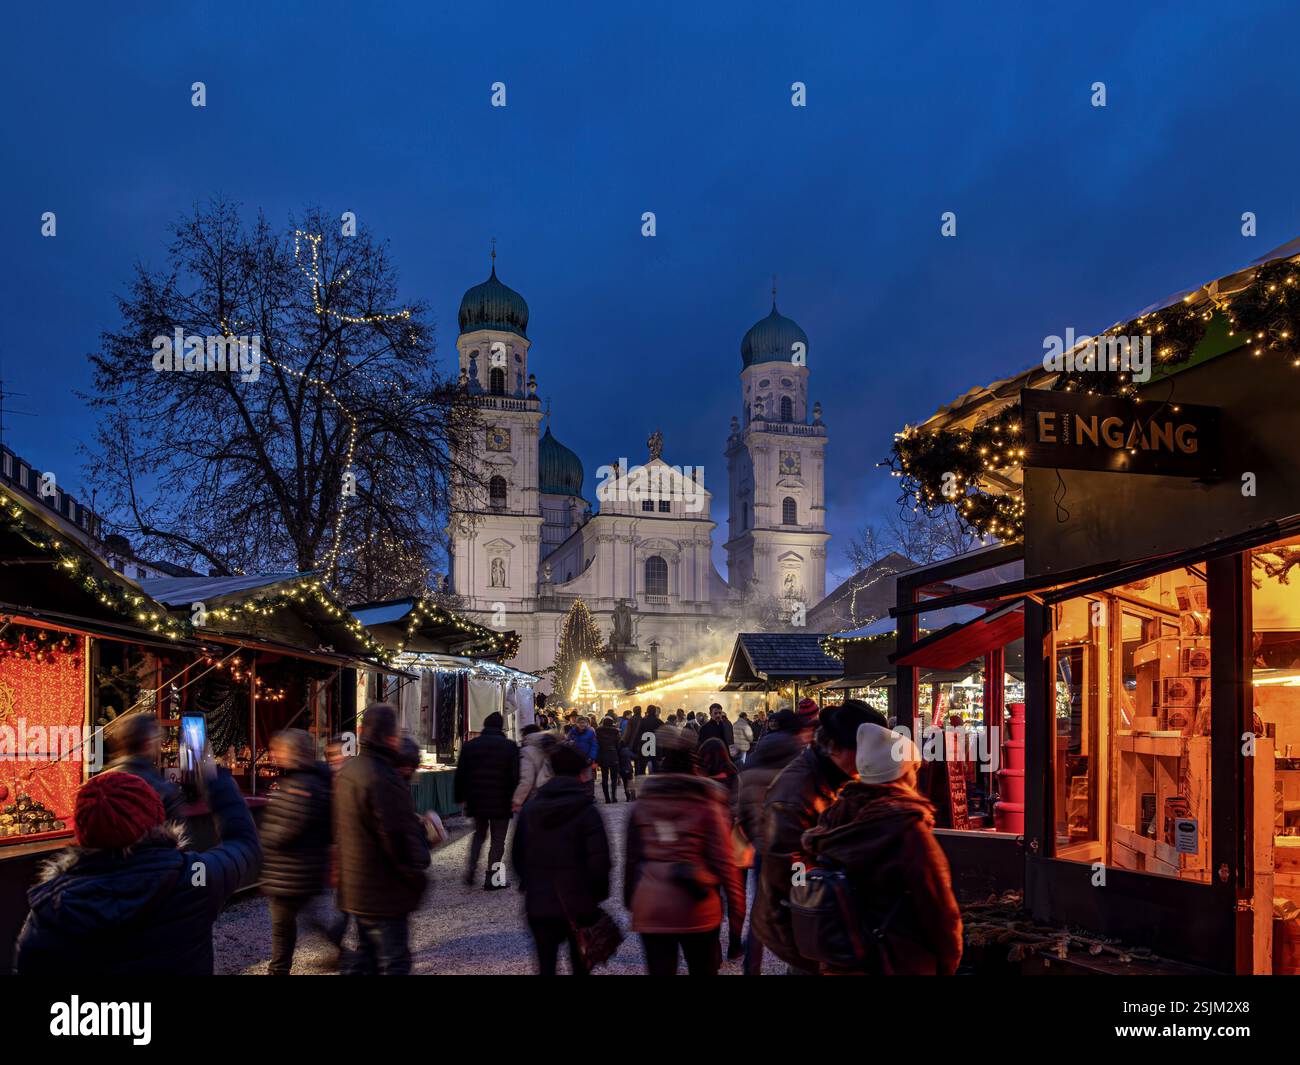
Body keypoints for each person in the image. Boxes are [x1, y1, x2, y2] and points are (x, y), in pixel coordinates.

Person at [15, 766, 261, 975]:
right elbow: (243, 845)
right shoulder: (193, 877)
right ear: (156, 820)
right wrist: (216, 780)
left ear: (82, 832)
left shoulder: (51, 909)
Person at [802, 722, 963, 975]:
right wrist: (948, 961)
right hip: (897, 961)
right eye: (914, 767)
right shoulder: (908, 829)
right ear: (902, 773)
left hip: (844, 960)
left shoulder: (834, 817)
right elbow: (940, 911)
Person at [751, 700, 884, 974]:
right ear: (835, 746)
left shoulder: (839, 775)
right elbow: (792, 874)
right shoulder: (793, 797)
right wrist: (824, 877)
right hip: (807, 924)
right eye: (862, 751)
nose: (867, 759)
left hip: (830, 919)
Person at [624, 732, 746, 976]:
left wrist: (632, 900)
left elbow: (632, 860)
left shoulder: (642, 805)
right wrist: (736, 909)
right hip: (697, 907)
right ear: (695, 764)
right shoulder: (707, 805)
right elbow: (725, 863)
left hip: (653, 906)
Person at [334, 703, 431, 975]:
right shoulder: (382, 777)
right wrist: (415, 874)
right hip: (382, 888)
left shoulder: (351, 771)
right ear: (391, 737)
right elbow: (397, 837)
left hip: (358, 886)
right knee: (393, 962)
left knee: (368, 958)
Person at [511, 743, 612, 975]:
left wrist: (532, 885)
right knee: (581, 965)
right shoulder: (587, 810)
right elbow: (600, 861)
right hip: (579, 905)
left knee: (546, 966)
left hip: (540, 904)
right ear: (580, 773)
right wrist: (596, 897)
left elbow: (517, 857)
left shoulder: (531, 809)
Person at [261, 728, 333, 976]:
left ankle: (278, 970)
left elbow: (289, 827)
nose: (274, 754)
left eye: (278, 750)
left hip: (293, 868)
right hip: (300, 867)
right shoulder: (308, 780)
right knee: (301, 919)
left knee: (283, 926)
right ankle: (341, 949)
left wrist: (265, 838)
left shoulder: (300, 785)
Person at [454, 710, 520, 889]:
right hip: (502, 800)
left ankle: (471, 870)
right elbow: (515, 776)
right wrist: (515, 798)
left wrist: (460, 796)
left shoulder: (470, 746)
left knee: (479, 835)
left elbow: (461, 774)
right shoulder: (510, 746)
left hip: (477, 800)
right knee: (498, 840)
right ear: (500, 727)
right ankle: (493, 878)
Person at [698, 737, 744, 959]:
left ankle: (713, 943)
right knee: (736, 898)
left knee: (712, 896)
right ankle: (735, 944)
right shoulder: (734, 774)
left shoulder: (698, 779)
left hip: (707, 848)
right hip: (733, 846)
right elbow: (738, 807)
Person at [102, 710, 186, 821]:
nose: (160, 745)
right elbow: (177, 833)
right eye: (158, 739)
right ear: (148, 744)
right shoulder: (162, 790)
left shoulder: (101, 784)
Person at [513, 723, 558, 811]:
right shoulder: (551, 745)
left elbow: (527, 779)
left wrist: (517, 800)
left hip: (535, 798)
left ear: (525, 735)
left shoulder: (526, 751)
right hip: (552, 795)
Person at [595, 715, 625, 803]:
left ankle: (607, 798)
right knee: (614, 778)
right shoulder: (616, 732)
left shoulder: (598, 732)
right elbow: (618, 746)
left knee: (604, 778)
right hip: (613, 756)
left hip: (603, 756)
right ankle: (614, 797)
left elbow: (597, 745)